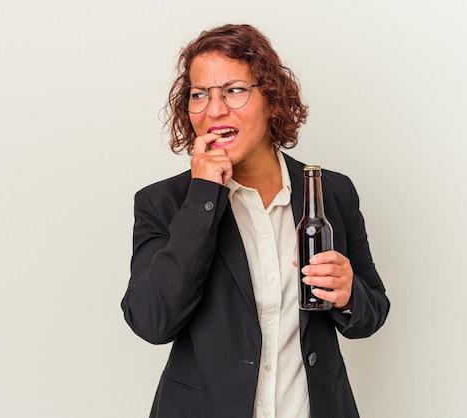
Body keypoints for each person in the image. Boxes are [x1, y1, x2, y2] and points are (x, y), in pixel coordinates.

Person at [121, 23, 390, 418]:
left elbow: (373, 312)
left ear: (272, 99)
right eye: (199, 95)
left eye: (234, 90)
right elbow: (151, 322)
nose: (214, 110)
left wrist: (349, 294)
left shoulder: (330, 193)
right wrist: (203, 198)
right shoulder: (163, 203)